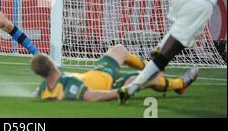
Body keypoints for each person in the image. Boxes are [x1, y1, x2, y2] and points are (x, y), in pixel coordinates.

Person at [31, 44, 199, 101]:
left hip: (100, 72)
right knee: (150, 79)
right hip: (112, 83)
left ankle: (154, 66)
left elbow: (36, 94)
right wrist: (121, 91)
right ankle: (180, 84)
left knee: (119, 50)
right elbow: (93, 96)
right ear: (52, 65)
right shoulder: (69, 85)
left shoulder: (44, 88)